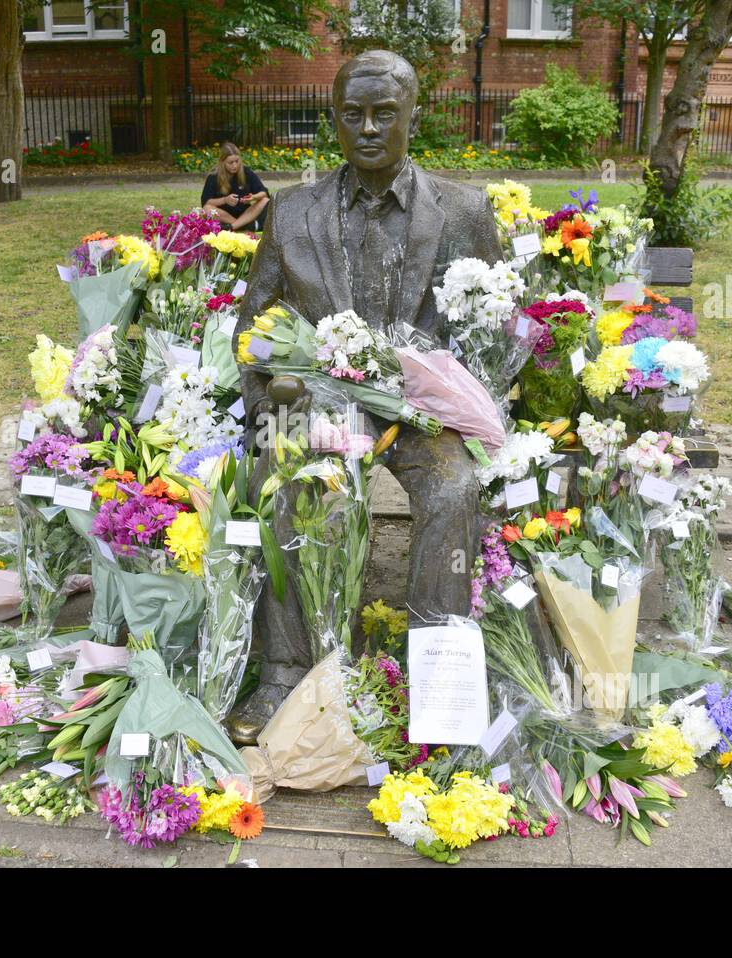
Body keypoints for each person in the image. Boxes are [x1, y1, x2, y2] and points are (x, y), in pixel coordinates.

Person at [223, 50, 502, 744]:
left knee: (453, 489)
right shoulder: (291, 215)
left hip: (424, 414)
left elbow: (495, 326)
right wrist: (274, 405)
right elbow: (252, 328)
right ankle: (290, 669)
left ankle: (435, 675)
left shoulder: (465, 212)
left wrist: (467, 396)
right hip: (320, 404)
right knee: (278, 476)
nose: (369, 128)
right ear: (335, 123)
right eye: (353, 115)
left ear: (414, 116)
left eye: (385, 114)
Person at [201, 144, 269, 231]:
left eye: (237, 161)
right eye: (230, 163)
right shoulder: (213, 177)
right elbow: (206, 202)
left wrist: (253, 197)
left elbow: (264, 192)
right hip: (224, 216)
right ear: (222, 162)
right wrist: (225, 200)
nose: (235, 165)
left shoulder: (246, 172)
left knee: (265, 200)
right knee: (207, 209)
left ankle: (232, 227)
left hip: (245, 214)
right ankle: (242, 225)